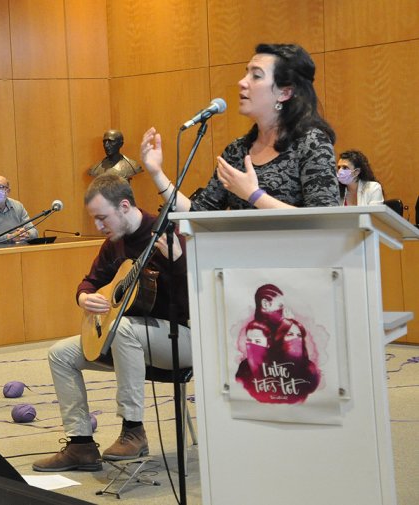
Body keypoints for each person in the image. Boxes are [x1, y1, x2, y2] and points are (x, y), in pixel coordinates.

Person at [32, 174, 190, 472]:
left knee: (122, 329)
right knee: (60, 354)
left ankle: (133, 430)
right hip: (130, 342)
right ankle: (80, 445)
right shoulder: (113, 244)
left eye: (103, 218)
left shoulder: (168, 235)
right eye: (95, 219)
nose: (98, 227)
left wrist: (179, 262)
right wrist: (84, 298)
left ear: (125, 206)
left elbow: (197, 297)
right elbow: (90, 282)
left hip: (180, 339)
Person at [140, 43, 340, 210]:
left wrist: (253, 195)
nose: (242, 82)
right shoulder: (237, 150)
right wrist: (157, 173)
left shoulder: (312, 143)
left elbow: (324, 218)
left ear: (285, 93)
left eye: (256, 75)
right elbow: (199, 214)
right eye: (246, 74)